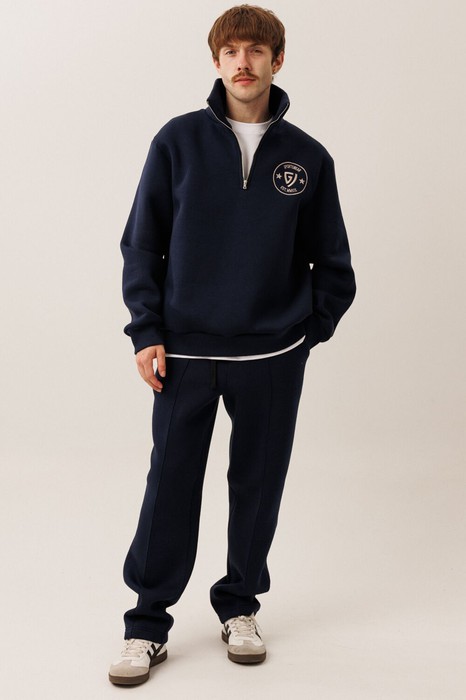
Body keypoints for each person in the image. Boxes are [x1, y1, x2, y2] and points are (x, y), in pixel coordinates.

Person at [108, 3, 356, 686]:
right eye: (230, 53)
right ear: (216, 62)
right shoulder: (177, 142)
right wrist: (147, 330)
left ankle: (240, 606)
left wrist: (303, 335)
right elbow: (142, 244)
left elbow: (333, 263)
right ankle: (146, 623)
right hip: (184, 354)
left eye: (256, 51)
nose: (243, 64)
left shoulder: (308, 157)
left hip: (271, 358)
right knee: (170, 485)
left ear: (278, 60)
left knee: (258, 485)